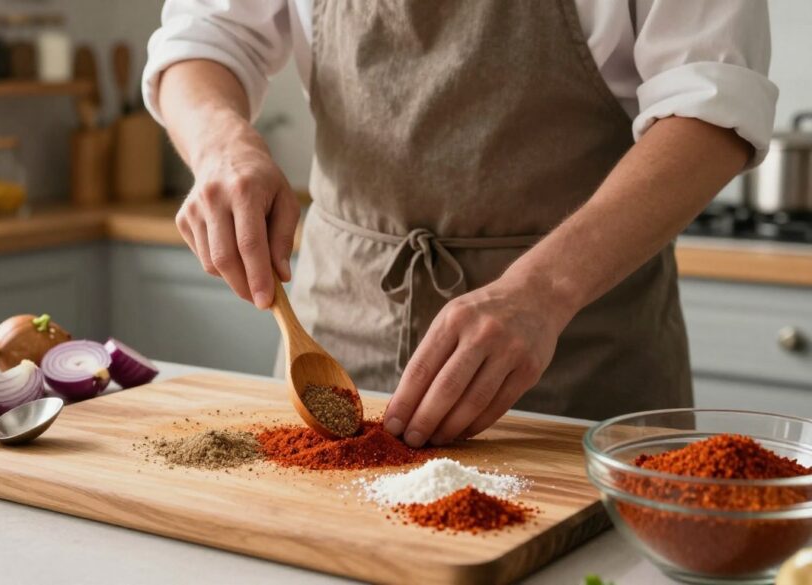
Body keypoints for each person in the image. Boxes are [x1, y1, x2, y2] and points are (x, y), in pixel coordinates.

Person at [143, 1, 777, 447]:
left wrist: (543, 292)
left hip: (582, 349)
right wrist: (222, 145)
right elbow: (202, 39)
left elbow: (711, 109)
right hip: (342, 323)